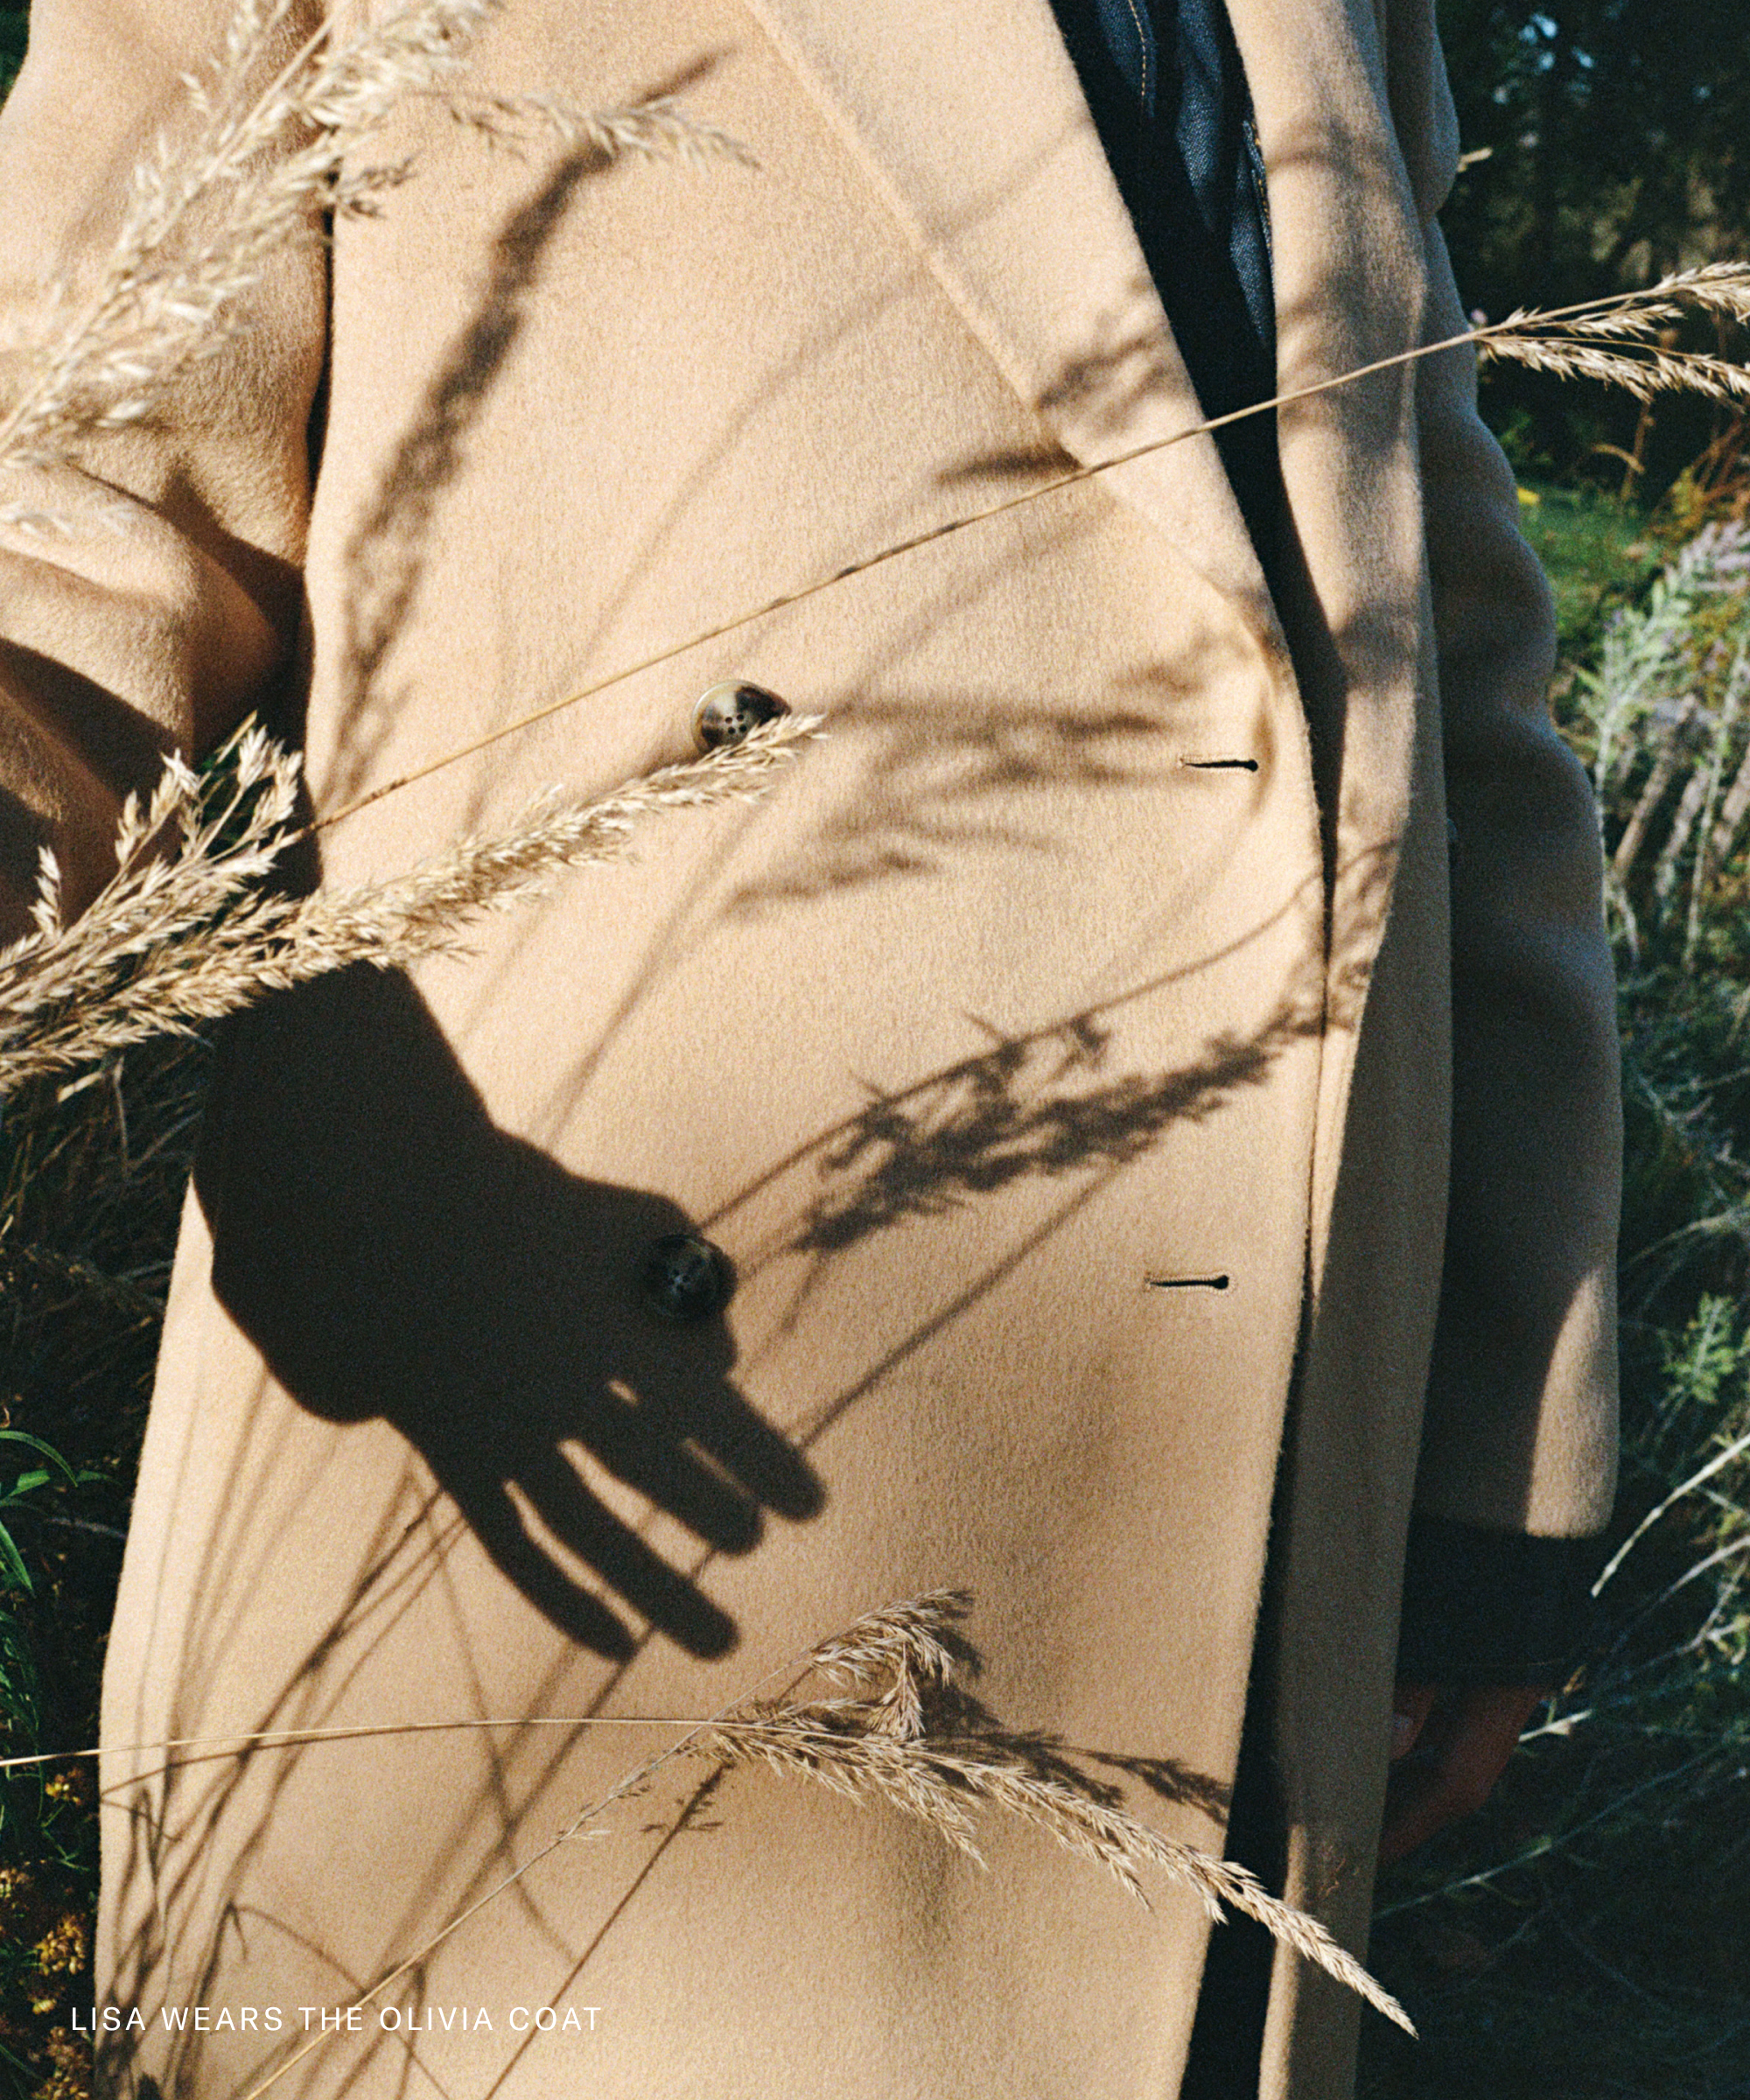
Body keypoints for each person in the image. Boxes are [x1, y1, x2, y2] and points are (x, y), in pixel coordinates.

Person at [0, 0, 1619, 2095]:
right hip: (602, 1524)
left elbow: (1454, 680)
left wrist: (1490, 1476)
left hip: (1235, 1543)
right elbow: (67, 529)